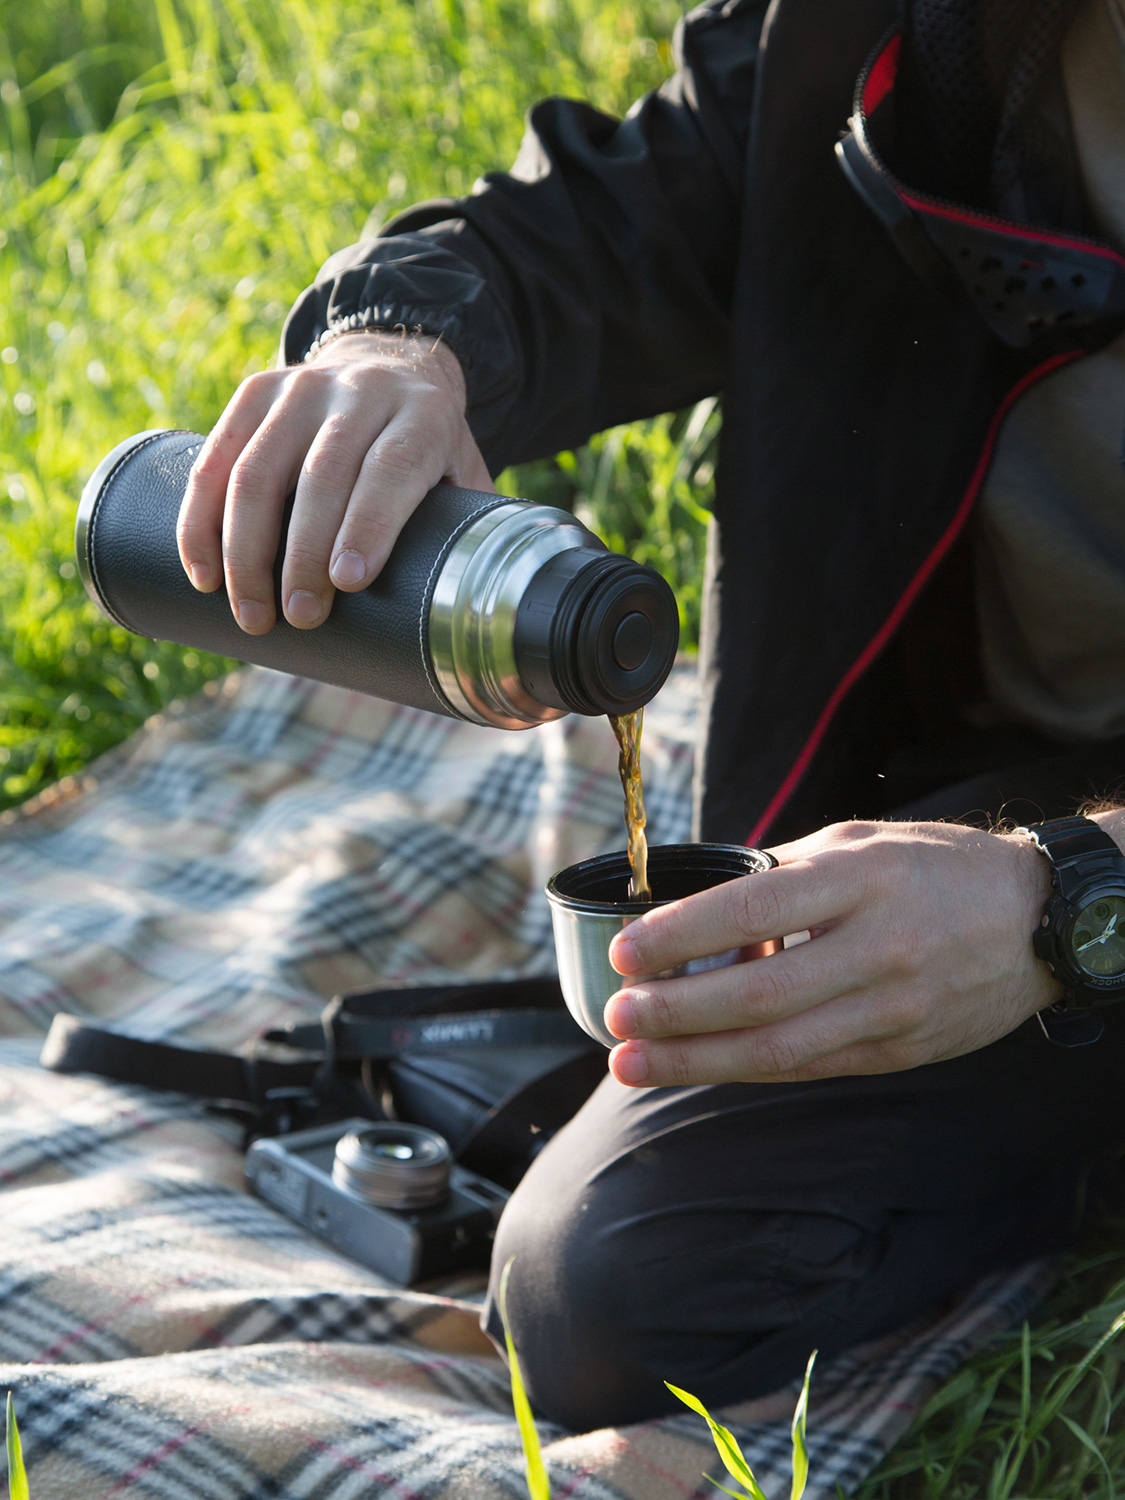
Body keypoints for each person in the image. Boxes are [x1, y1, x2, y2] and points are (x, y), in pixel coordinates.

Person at [175, 0, 1125, 1431]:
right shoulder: (925, 30)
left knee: (616, 1282)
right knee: (609, 1283)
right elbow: (616, 212)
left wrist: (1064, 908)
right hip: (950, 787)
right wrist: (398, 345)